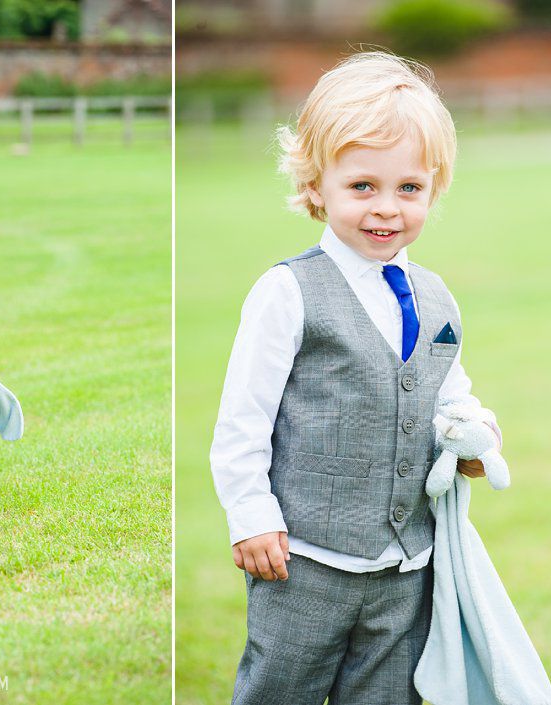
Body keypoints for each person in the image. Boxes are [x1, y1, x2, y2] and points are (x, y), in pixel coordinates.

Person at [210, 52, 503, 704]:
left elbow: (446, 391)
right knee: (279, 689)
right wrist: (251, 515)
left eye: (409, 189)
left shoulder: (435, 298)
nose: (387, 209)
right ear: (317, 185)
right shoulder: (288, 291)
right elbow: (243, 419)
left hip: (406, 565)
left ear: (434, 188)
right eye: (362, 186)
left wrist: (477, 434)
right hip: (305, 558)